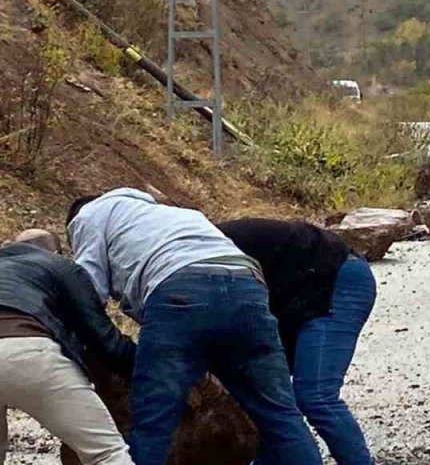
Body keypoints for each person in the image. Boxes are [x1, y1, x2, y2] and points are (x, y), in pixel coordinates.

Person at [67, 188, 322, 465]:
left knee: (153, 420)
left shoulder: (88, 215)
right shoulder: (177, 215)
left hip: (181, 289)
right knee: (280, 414)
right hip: (248, 288)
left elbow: (87, 290)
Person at [216, 218, 376, 465]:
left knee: (316, 395)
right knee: (272, 399)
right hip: (292, 296)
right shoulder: (193, 249)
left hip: (336, 280)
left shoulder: (199, 253)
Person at [0, 229, 136, 465]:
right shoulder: (58, 265)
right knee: (105, 453)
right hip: (26, 351)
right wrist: (146, 361)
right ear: (56, 251)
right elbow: (103, 339)